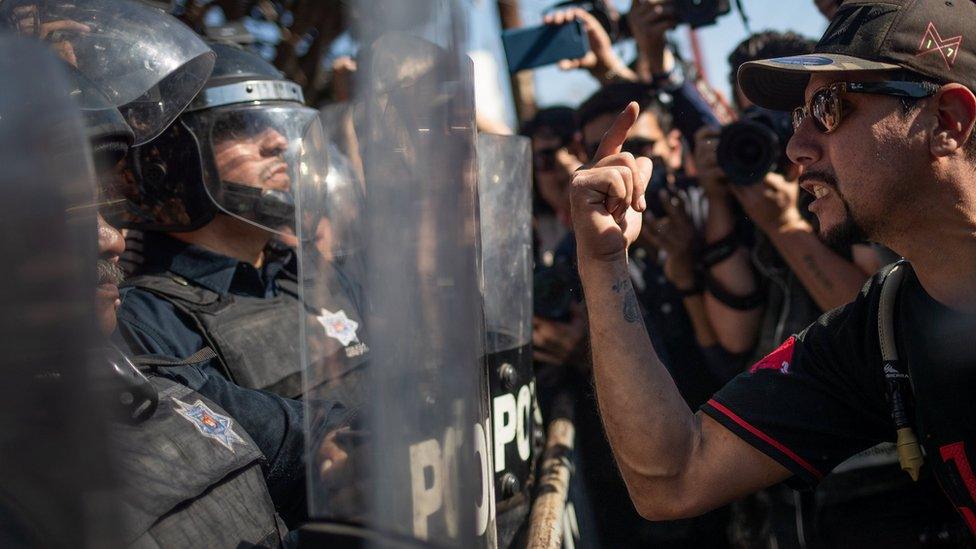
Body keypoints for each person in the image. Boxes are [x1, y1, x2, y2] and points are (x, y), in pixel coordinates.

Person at [567, 0, 976, 544]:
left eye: (829, 108)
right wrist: (601, 263)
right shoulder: (883, 330)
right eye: (796, 118)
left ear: (947, 122)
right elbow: (673, 478)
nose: (795, 147)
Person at [112, 42, 369, 404]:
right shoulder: (146, 320)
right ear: (173, 160)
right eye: (239, 126)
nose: (279, 141)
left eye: (272, 123)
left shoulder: (307, 270)